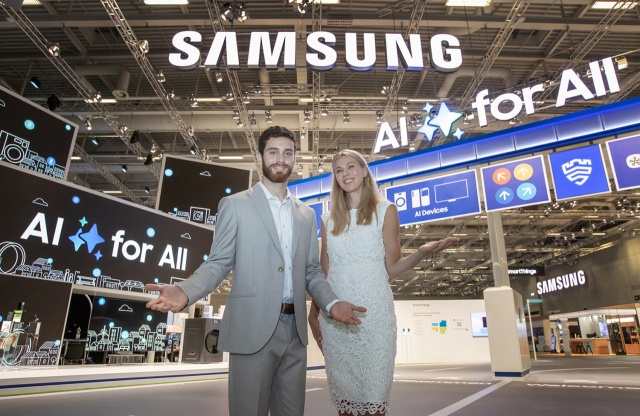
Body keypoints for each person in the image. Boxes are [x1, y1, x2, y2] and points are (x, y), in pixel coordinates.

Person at [145, 126, 366, 416]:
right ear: (259, 156)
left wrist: (333, 303)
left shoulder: (307, 214)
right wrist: (186, 291)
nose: (280, 159)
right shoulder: (235, 206)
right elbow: (218, 263)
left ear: (294, 159)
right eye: (273, 152)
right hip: (252, 328)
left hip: (295, 333)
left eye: (288, 153)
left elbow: (311, 272)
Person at [308, 149, 458, 416]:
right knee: (346, 402)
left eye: (351, 167)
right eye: (339, 170)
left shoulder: (385, 211)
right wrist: (315, 311)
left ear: (364, 171)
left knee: (374, 403)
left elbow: (392, 269)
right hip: (336, 319)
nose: (345, 174)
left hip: (374, 316)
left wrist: (422, 252)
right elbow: (324, 271)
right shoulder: (327, 220)